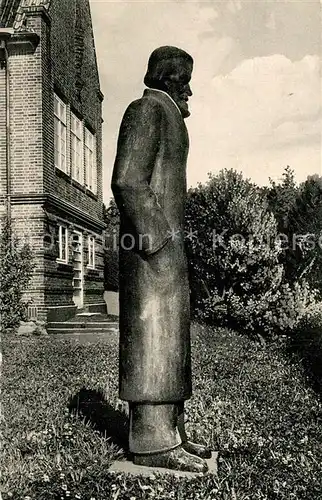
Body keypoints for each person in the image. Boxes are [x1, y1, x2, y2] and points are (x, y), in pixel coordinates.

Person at [111, 46, 211, 472]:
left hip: (164, 257)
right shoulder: (145, 111)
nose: (189, 88)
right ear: (168, 79)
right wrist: (159, 242)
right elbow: (128, 181)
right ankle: (152, 443)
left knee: (168, 342)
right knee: (153, 341)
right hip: (151, 256)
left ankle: (171, 431)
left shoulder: (164, 112)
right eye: (183, 78)